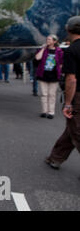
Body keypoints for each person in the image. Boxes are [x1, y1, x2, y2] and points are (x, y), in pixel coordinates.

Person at [45, 16, 80, 171]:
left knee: (76, 130)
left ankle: (56, 157)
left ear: (68, 29)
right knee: (71, 129)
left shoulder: (72, 50)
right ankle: (56, 157)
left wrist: (67, 103)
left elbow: (71, 80)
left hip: (78, 95)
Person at [35, 34, 63, 119]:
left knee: (52, 94)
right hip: (43, 74)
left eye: (50, 40)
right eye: (47, 39)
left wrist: (60, 72)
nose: (47, 41)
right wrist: (43, 48)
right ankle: (44, 111)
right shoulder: (43, 50)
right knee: (44, 94)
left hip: (54, 75)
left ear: (54, 41)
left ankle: (51, 112)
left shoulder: (59, 51)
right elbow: (37, 58)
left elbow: (61, 63)